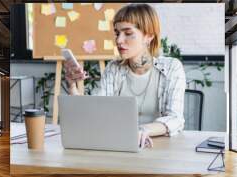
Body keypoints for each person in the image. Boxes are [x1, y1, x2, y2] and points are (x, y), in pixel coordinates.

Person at [63, 3, 186, 148]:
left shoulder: (171, 68)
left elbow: (175, 118)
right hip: (119, 145)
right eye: (117, 33)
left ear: (149, 36)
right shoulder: (113, 69)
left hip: (159, 147)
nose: (119, 40)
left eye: (128, 33)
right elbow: (95, 113)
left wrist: (142, 130)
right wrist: (72, 86)